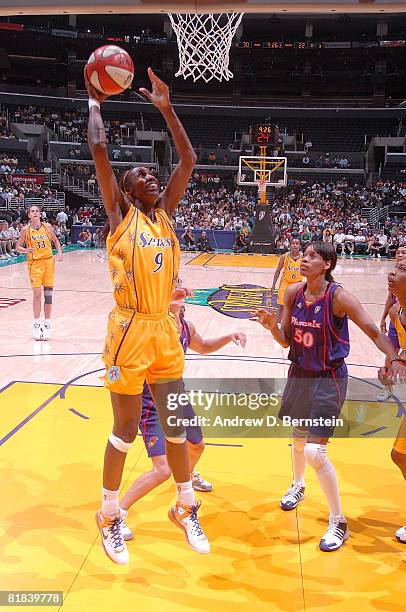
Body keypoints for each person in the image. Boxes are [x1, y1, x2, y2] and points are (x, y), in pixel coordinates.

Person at [86, 66, 209, 565]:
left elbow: (189, 158)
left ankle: (185, 506)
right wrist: (94, 99)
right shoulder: (121, 216)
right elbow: (99, 153)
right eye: (141, 175)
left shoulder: (164, 216)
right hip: (129, 328)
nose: (152, 176)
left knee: (177, 424)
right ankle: (110, 515)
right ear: (126, 188)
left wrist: (166, 107)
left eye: (152, 173)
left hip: (163, 327)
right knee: (126, 430)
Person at [252, 241, 406, 552]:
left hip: (329, 378)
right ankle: (298, 486)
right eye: (304, 255)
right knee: (297, 438)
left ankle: (339, 520)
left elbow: (375, 333)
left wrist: (394, 358)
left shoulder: (339, 297)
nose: (305, 261)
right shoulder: (293, 293)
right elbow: (284, 341)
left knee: (315, 453)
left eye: (312, 257)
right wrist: (271, 327)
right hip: (299, 373)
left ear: (327, 265)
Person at [120, 292, 246, 540]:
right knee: (162, 469)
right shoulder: (153, 329)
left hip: (176, 395)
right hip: (151, 401)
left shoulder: (186, 327)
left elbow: (204, 346)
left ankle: (186, 479)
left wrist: (229, 336)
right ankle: (117, 514)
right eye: (169, 288)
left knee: (197, 445)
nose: (176, 292)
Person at [379, 256, 406, 544]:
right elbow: (395, 350)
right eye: (395, 267)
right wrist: (390, 366)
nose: (392, 272)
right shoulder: (398, 312)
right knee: (400, 455)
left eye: (402, 270)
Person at [16, 205, 63, 340]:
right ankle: (36, 324)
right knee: (37, 294)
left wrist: (59, 253)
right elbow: (18, 247)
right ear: (29, 215)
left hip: (48, 262)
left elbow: (56, 241)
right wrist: (26, 250)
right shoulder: (25, 230)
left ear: (40, 214)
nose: (35, 213)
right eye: (32, 211)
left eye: (37, 211)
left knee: (48, 295)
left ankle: (47, 324)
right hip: (34, 264)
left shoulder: (47, 227)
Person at [271, 238, 302, 322]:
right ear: (290, 245)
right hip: (285, 283)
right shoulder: (284, 257)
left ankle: (293, 323)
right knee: (281, 305)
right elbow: (278, 271)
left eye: (297, 243)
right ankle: (277, 323)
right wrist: (273, 284)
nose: (295, 245)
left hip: (297, 284)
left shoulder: (304, 258)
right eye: (293, 243)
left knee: (296, 306)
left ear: (300, 246)